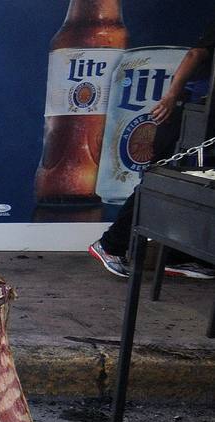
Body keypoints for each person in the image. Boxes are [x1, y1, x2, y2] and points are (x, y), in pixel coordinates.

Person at [89, 22, 215, 279]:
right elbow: (195, 54)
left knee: (196, 188)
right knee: (160, 182)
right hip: (189, 113)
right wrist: (171, 96)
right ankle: (111, 245)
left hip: (205, 119)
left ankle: (182, 257)